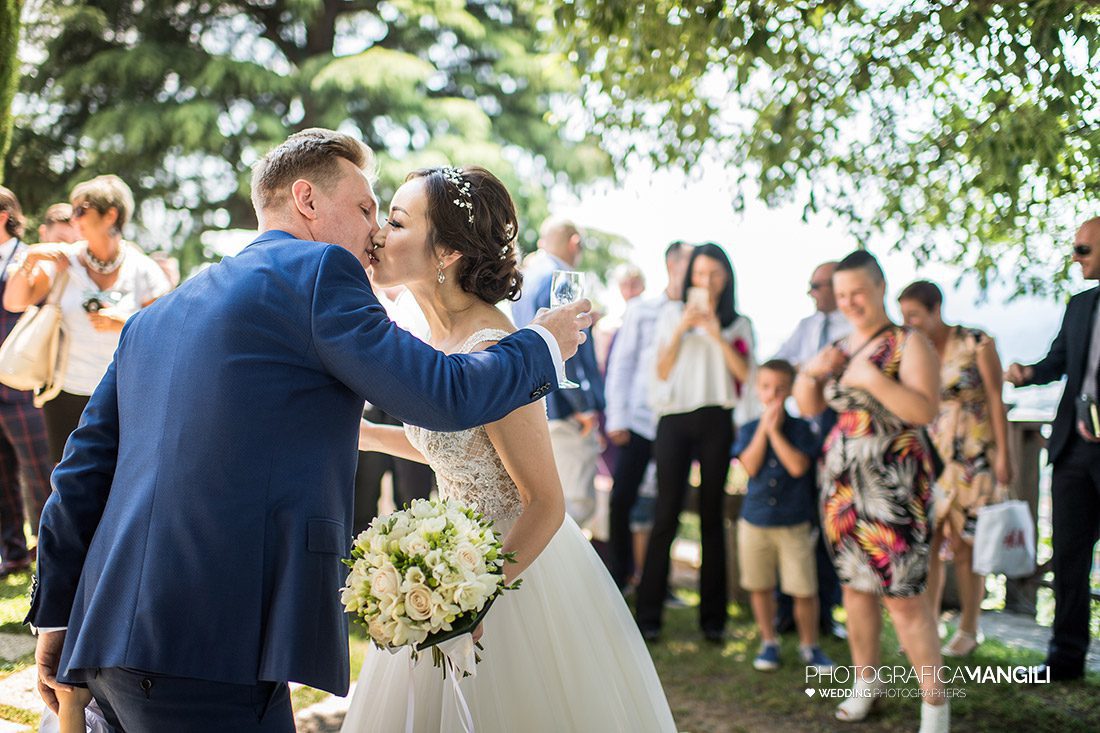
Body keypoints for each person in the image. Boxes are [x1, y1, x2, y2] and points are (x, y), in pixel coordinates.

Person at [27, 129, 592, 732]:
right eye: (366, 208)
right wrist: (542, 343)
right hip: (212, 645)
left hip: (105, 642)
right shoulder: (318, 271)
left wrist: (55, 619)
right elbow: (445, 394)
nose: (375, 230)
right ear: (307, 200)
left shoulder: (158, 313)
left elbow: (79, 475)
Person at [345, 165, 676, 732]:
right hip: (445, 557)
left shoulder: (495, 348)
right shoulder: (430, 338)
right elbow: (459, 452)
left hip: (507, 570)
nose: (377, 233)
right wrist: (364, 435)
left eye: (395, 221)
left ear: (446, 251)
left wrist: (476, 598)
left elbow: (545, 501)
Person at [795, 250, 948, 731]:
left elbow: (925, 411)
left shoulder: (909, 343)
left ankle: (935, 703)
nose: (849, 302)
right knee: (855, 590)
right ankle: (867, 684)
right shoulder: (839, 346)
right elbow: (807, 407)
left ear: (881, 287)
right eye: (841, 295)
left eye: (858, 292)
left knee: (903, 597)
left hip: (895, 486)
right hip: (842, 488)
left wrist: (870, 380)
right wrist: (811, 372)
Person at [4, 175, 171, 464]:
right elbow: (15, 302)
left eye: (82, 210)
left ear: (111, 214)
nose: (74, 218)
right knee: (68, 483)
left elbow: (166, 330)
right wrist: (30, 260)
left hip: (123, 396)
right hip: (65, 393)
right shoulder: (64, 261)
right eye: (73, 210)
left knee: (116, 483)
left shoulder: (142, 269)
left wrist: (125, 322)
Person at [635, 242, 754, 643]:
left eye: (715, 274)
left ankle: (714, 621)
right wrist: (685, 328)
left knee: (711, 515)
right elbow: (662, 369)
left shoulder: (738, 323)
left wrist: (716, 334)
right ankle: (648, 615)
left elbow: (745, 374)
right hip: (674, 419)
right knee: (666, 512)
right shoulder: (671, 314)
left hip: (717, 419)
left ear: (727, 278)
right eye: (700, 274)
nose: (706, 281)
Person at [1005, 216, 1100, 682]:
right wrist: (1027, 373)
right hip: (1072, 452)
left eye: (1083, 250)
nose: (1075, 258)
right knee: (1068, 559)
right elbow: (1058, 362)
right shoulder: (1080, 305)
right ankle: (1064, 660)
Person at [899, 280, 1013, 657]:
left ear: (936, 309)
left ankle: (968, 628)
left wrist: (1005, 456)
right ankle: (926, 627)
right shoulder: (916, 349)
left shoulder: (976, 341)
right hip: (932, 453)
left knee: (966, 546)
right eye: (904, 315)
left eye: (915, 314)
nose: (909, 322)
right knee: (928, 542)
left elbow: (996, 398)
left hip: (974, 453)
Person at [732, 359, 834, 673]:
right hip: (756, 520)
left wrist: (776, 433)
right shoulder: (749, 428)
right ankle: (768, 641)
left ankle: (809, 645)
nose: (772, 394)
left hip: (794, 521)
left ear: (789, 390)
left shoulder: (802, 429)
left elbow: (798, 467)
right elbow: (749, 466)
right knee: (759, 585)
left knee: (803, 588)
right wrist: (764, 430)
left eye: (779, 388)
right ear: (758, 389)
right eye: (766, 387)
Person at [604, 240, 691, 589]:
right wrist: (617, 418)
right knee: (621, 500)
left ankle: (657, 583)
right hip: (639, 420)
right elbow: (622, 364)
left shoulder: (697, 313)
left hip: (677, 423)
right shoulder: (642, 309)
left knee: (667, 508)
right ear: (671, 265)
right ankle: (619, 577)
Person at [511, 216, 606, 528]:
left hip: (533, 404)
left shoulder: (525, 280)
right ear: (574, 243)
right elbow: (569, 347)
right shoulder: (560, 279)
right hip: (565, 412)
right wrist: (583, 406)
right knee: (573, 506)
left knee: (544, 503)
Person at [0, 188, 53, 578]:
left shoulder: (32, 259)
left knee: (40, 475)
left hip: (22, 387)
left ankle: (50, 553)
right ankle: (12, 553)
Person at [774, 261, 853, 369]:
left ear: (836, 286)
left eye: (815, 286)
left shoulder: (855, 325)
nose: (809, 293)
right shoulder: (806, 324)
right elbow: (778, 361)